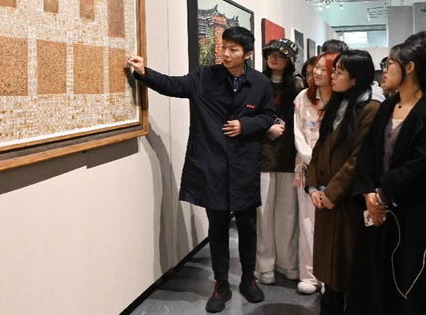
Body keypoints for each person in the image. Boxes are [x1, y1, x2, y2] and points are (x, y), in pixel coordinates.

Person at [127, 26, 275, 313]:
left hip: (244, 164)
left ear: (247, 54)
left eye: (233, 49)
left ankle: (248, 279)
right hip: (212, 163)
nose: (225, 53)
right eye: (224, 46)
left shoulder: (259, 83)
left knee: (248, 226)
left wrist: (245, 125)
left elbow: (269, 115)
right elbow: (173, 85)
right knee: (217, 228)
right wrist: (144, 72)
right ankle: (221, 284)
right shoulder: (205, 76)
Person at [352, 41, 426, 314]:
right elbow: (368, 150)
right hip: (378, 206)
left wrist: (383, 193)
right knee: (375, 278)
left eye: (390, 63)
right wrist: (369, 191)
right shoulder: (387, 106)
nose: (384, 69)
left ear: (410, 67)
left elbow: (424, 163)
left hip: (414, 210)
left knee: (411, 281)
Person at [305, 50, 381, 315]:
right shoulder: (337, 104)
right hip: (326, 198)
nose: (332, 76)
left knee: (348, 268)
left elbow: (358, 158)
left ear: (355, 78)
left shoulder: (370, 109)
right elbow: (318, 149)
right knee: (329, 269)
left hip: (348, 202)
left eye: (339, 72)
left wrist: (332, 193)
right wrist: (313, 187)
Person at [256, 38, 304, 285]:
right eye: (271, 53)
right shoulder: (256, 82)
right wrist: (264, 127)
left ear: (290, 61)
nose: (274, 57)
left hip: (289, 156)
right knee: (263, 214)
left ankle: (287, 263)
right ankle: (264, 266)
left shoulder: (298, 86)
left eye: (281, 54)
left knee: (288, 214)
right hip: (260, 156)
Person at [292, 52, 338, 295]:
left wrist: (325, 164)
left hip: (333, 173)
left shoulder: (342, 100)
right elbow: (298, 133)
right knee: (307, 223)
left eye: (323, 68)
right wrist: (312, 159)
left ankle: (328, 276)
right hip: (307, 169)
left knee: (330, 225)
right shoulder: (302, 98)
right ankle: (309, 275)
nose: (317, 73)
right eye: (315, 68)